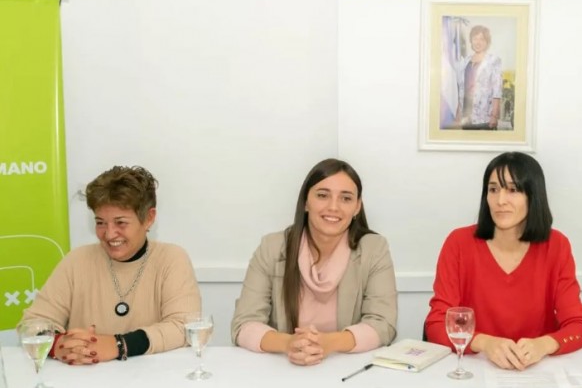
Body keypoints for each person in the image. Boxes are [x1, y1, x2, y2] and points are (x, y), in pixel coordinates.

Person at [424, 152, 582, 370]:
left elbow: (578, 327)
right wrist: (486, 343)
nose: (500, 201)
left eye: (512, 190)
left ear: (533, 196)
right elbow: (436, 324)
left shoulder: (557, 245)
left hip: (537, 371)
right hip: (475, 369)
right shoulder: (458, 243)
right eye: (493, 189)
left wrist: (543, 345)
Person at [22, 166, 201, 364]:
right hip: (84, 377)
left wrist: (119, 345)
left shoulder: (171, 258)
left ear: (149, 218)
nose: (109, 234)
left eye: (120, 222)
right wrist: (58, 345)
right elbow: (32, 324)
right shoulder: (76, 260)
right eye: (100, 222)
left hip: (151, 376)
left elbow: (183, 327)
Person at [231, 158, 397, 365]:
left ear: (357, 207)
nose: (333, 207)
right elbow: (244, 324)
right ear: (305, 202)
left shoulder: (374, 249)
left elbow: (383, 324)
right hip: (283, 368)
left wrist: (328, 343)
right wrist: (289, 343)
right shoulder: (272, 248)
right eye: (322, 195)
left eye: (346, 198)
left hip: (345, 369)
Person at [456, 25, 503, 130]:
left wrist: (494, 116)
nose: (478, 42)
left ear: (487, 42)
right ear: (471, 41)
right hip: (465, 117)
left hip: (484, 118)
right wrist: (458, 112)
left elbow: (497, 91)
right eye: (475, 38)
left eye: (482, 39)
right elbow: (461, 89)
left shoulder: (493, 61)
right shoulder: (464, 61)